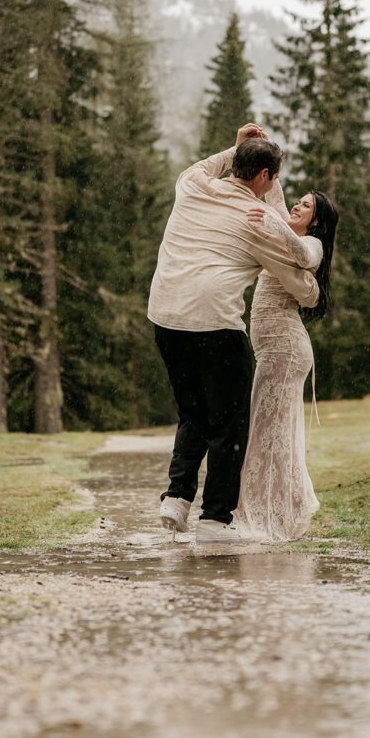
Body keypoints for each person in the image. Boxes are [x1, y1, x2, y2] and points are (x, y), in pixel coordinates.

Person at [148, 124, 319, 543]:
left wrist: (237, 146)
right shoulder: (258, 219)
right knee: (229, 423)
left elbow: (207, 166)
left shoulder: (192, 185)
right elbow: (298, 270)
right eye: (274, 178)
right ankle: (215, 519)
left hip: (166, 315)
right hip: (214, 323)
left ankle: (177, 498)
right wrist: (312, 290)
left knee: (192, 412)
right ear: (264, 176)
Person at [235, 178, 338, 542]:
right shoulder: (287, 231)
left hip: (286, 349)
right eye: (298, 201)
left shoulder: (312, 244)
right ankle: (278, 508)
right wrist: (269, 171)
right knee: (270, 431)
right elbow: (276, 200)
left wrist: (271, 219)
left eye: (305, 206)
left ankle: (268, 517)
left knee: (267, 432)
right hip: (273, 349)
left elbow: (304, 255)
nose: (296, 206)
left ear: (316, 221)